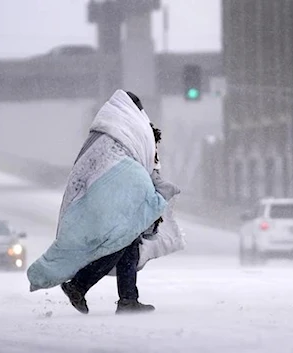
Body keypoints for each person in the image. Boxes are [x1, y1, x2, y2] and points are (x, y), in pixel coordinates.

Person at [27, 90, 183, 315]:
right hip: (113, 195)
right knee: (119, 241)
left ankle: (128, 299)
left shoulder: (103, 133)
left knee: (128, 242)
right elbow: (144, 163)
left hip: (101, 194)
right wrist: (155, 190)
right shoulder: (132, 130)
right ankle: (79, 285)